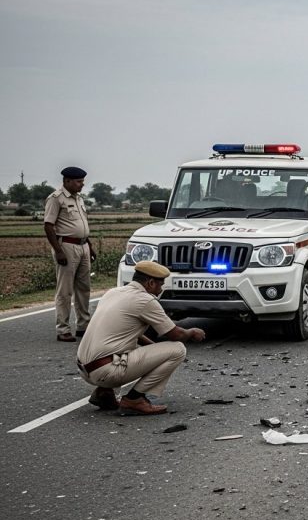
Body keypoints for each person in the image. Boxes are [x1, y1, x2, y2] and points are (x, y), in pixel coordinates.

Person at [76, 261, 206, 414]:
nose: (161, 289)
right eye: (160, 285)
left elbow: (129, 333)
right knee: (178, 350)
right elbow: (175, 334)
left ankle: (103, 392)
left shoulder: (113, 292)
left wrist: (153, 349)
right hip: (106, 371)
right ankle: (134, 400)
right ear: (150, 283)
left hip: (85, 368)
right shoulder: (145, 300)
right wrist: (192, 332)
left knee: (122, 346)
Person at [44, 166, 95, 342]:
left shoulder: (79, 199)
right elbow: (48, 226)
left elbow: (82, 225)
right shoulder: (56, 199)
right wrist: (58, 251)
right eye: (78, 181)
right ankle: (63, 329)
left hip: (83, 246)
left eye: (82, 181)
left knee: (84, 288)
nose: (82, 184)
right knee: (65, 291)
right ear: (67, 181)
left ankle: (83, 326)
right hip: (66, 246)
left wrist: (89, 245)